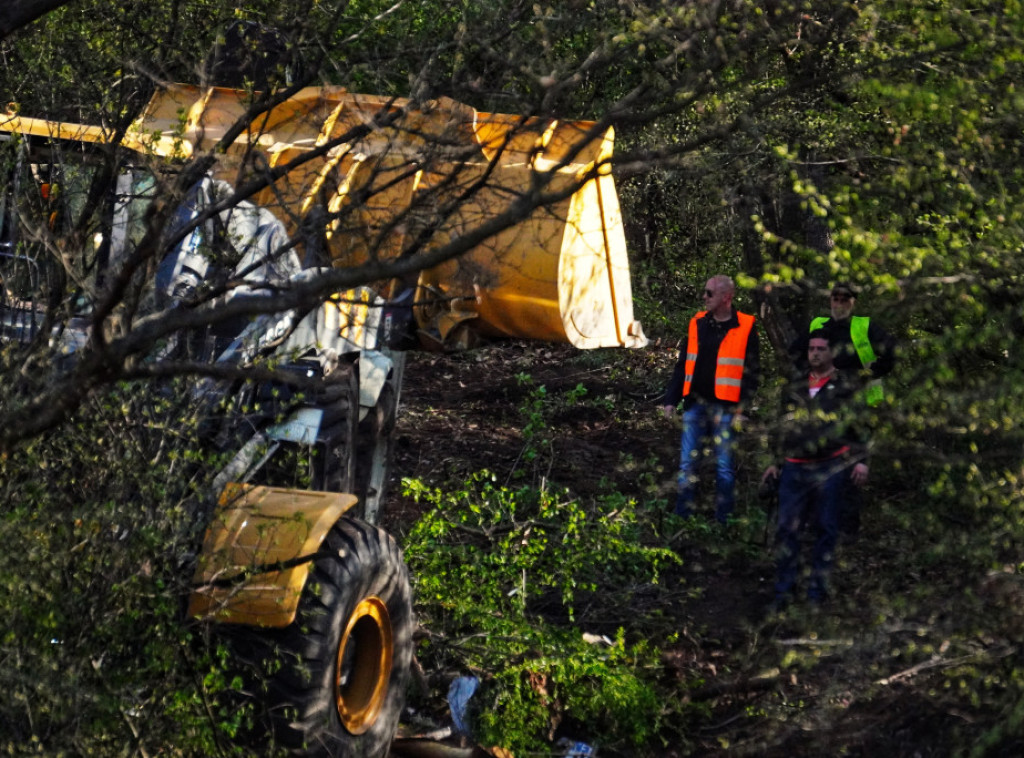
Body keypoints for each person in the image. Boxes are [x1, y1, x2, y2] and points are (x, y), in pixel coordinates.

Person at [762, 331, 869, 608]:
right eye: (812, 349)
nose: (815, 353)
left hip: (830, 466)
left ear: (832, 353)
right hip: (794, 467)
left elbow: (860, 426)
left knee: (826, 529)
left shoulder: (845, 386)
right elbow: (780, 424)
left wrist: (861, 460)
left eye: (821, 348)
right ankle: (783, 593)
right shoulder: (795, 385)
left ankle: (816, 594)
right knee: (787, 531)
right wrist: (774, 461)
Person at [788, 281, 894, 538]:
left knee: (852, 462)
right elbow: (795, 352)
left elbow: (890, 353)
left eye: (844, 298)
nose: (839, 302)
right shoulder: (818, 325)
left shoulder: (863, 326)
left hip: (855, 402)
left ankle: (848, 526)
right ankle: (815, 521)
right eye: (835, 297)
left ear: (853, 301)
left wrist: (869, 374)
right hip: (822, 401)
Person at [662, 275, 759, 523]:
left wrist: (742, 408)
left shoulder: (746, 325)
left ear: (726, 297)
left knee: (724, 468)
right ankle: (682, 517)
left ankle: (723, 522)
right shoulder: (697, 322)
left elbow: (751, 372)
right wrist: (671, 399)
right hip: (695, 404)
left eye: (709, 293)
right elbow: (683, 364)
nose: (704, 297)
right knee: (687, 465)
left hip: (726, 409)